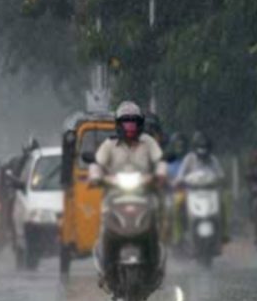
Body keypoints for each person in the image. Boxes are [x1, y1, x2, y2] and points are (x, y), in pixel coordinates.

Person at [89, 101, 167, 284]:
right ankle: (106, 266)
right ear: (118, 125)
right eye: (126, 122)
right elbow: (96, 164)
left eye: (134, 122)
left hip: (144, 194)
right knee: (105, 223)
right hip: (114, 196)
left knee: (155, 219)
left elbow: (160, 160)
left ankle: (155, 264)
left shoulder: (149, 143)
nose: (130, 127)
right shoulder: (108, 145)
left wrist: (161, 174)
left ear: (140, 124)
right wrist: (95, 176)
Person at [175, 131, 229, 243]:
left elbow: (220, 174)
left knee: (224, 202)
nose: (202, 150)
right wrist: (179, 181)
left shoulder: (212, 160)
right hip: (190, 192)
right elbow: (180, 175)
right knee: (177, 203)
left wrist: (222, 180)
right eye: (200, 147)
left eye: (204, 147)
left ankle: (224, 232)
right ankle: (179, 235)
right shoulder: (189, 159)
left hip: (211, 192)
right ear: (194, 147)